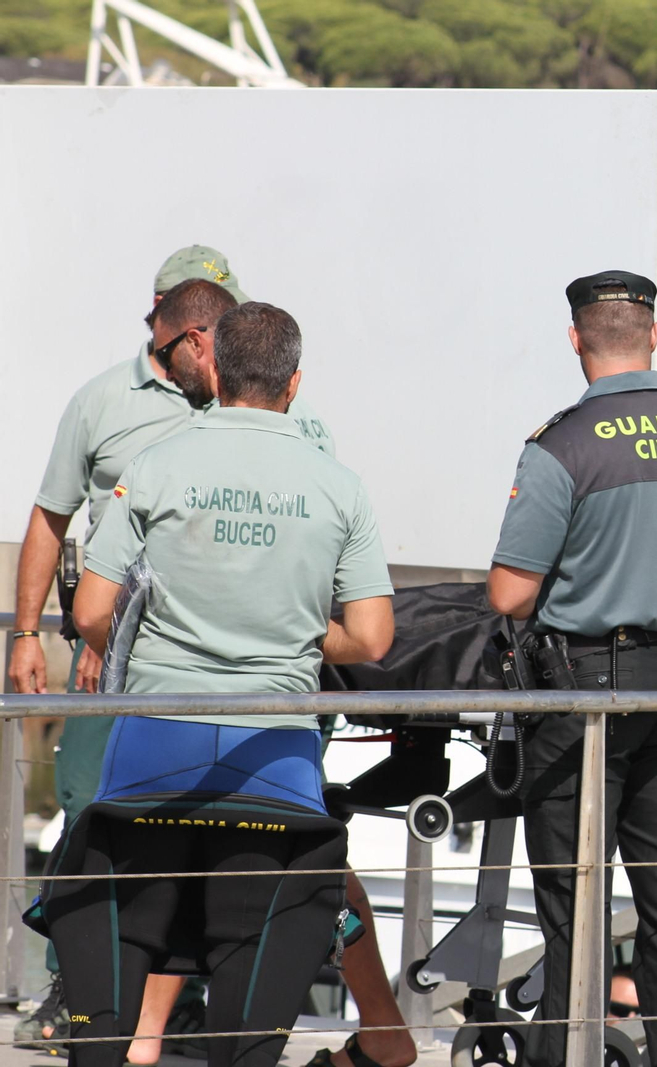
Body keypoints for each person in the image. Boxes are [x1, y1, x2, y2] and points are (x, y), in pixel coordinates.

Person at [8, 247, 333, 1060]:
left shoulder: (288, 430)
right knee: (99, 821)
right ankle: (88, 1001)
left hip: (224, 688)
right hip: (121, 672)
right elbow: (51, 517)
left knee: (238, 845)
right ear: (191, 338)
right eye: (218, 334)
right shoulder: (103, 403)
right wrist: (28, 633)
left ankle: (158, 1025)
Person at [50, 300, 395, 1067]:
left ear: (214, 371)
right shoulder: (340, 485)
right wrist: (296, 631)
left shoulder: (156, 464)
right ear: (294, 383)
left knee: (115, 974)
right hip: (276, 760)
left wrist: (150, 650)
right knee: (247, 1000)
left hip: (153, 751)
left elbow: (93, 611)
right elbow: (372, 635)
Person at [487, 269, 657, 1067]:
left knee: (576, 904)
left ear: (577, 339)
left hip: (584, 697)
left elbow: (510, 593)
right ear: (655, 337)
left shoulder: (561, 445)